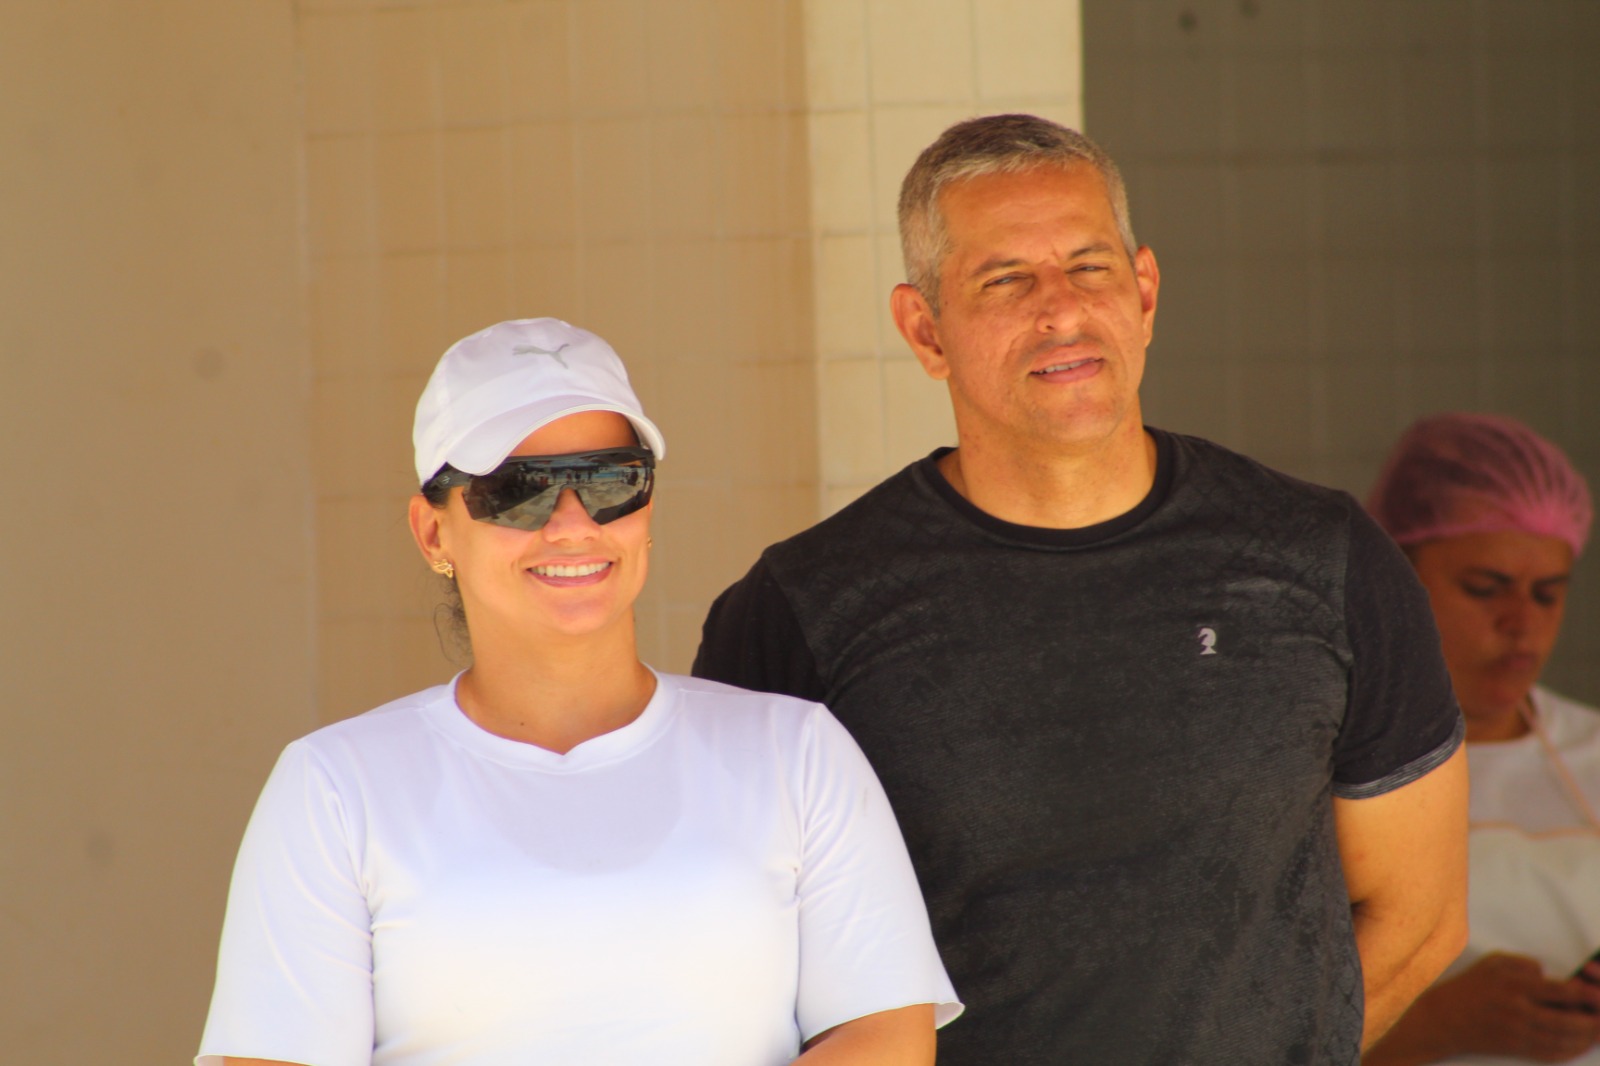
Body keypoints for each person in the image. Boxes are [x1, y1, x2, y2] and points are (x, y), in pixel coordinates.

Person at [693, 114, 1469, 1064]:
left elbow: (1419, 914)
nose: (1060, 310)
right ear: (925, 330)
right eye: (1004, 280)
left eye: (1089, 267)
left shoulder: (1325, 557)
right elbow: (737, 963)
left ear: (1144, 292)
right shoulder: (802, 610)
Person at [196, 318, 960, 1066]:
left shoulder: (798, 753)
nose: (571, 525)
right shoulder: (334, 789)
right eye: (517, 491)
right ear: (433, 533)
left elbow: (886, 1039)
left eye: (610, 481)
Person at [1363, 413, 1600, 1066]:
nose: (1521, 623)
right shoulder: (1327, 769)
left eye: (1547, 595)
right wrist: (1436, 1026)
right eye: (1484, 588)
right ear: (1397, 580)